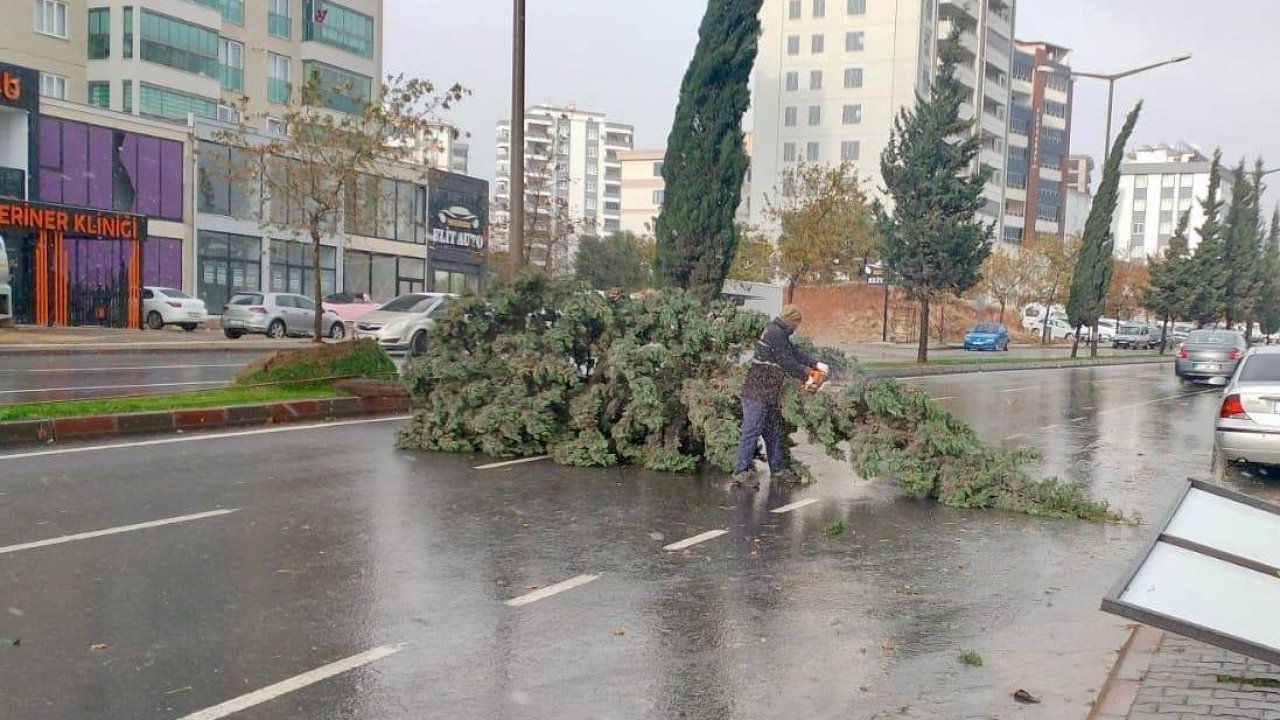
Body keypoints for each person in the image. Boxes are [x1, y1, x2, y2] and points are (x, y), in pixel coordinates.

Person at [733, 305, 817, 489]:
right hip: (756, 392)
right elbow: (787, 362)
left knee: (772, 433)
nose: (796, 328)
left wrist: (815, 363)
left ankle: (778, 470)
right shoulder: (775, 334)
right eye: (796, 324)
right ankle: (741, 471)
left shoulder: (779, 333)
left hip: (767, 393)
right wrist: (808, 376)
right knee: (751, 431)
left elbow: (794, 353)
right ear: (791, 320)